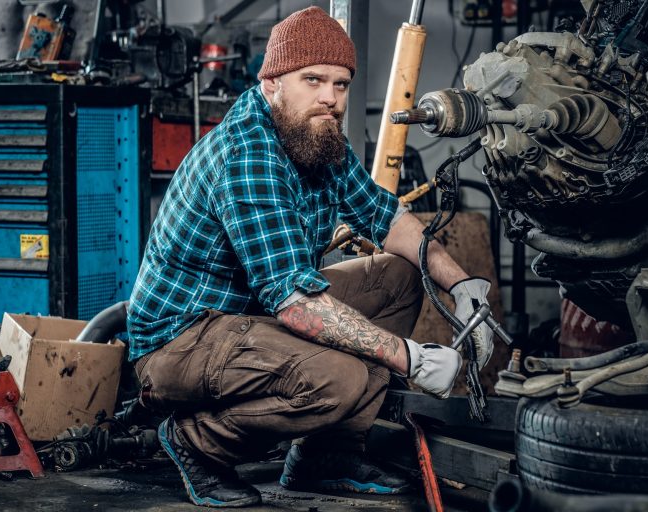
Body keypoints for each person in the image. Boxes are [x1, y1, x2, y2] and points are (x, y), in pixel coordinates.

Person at [127, 6, 494, 508]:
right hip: (181, 341)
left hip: (249, 315)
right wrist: (411, 358)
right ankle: (197, 443)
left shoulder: (316, 135)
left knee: (400, 278)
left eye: (340, 84)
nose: (330, 98)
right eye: (313, 80)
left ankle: (327, 456)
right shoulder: (249, 153)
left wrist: (462, 285)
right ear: (273, 82)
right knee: (340, 379)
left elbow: (387, 219)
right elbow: (295, 301)